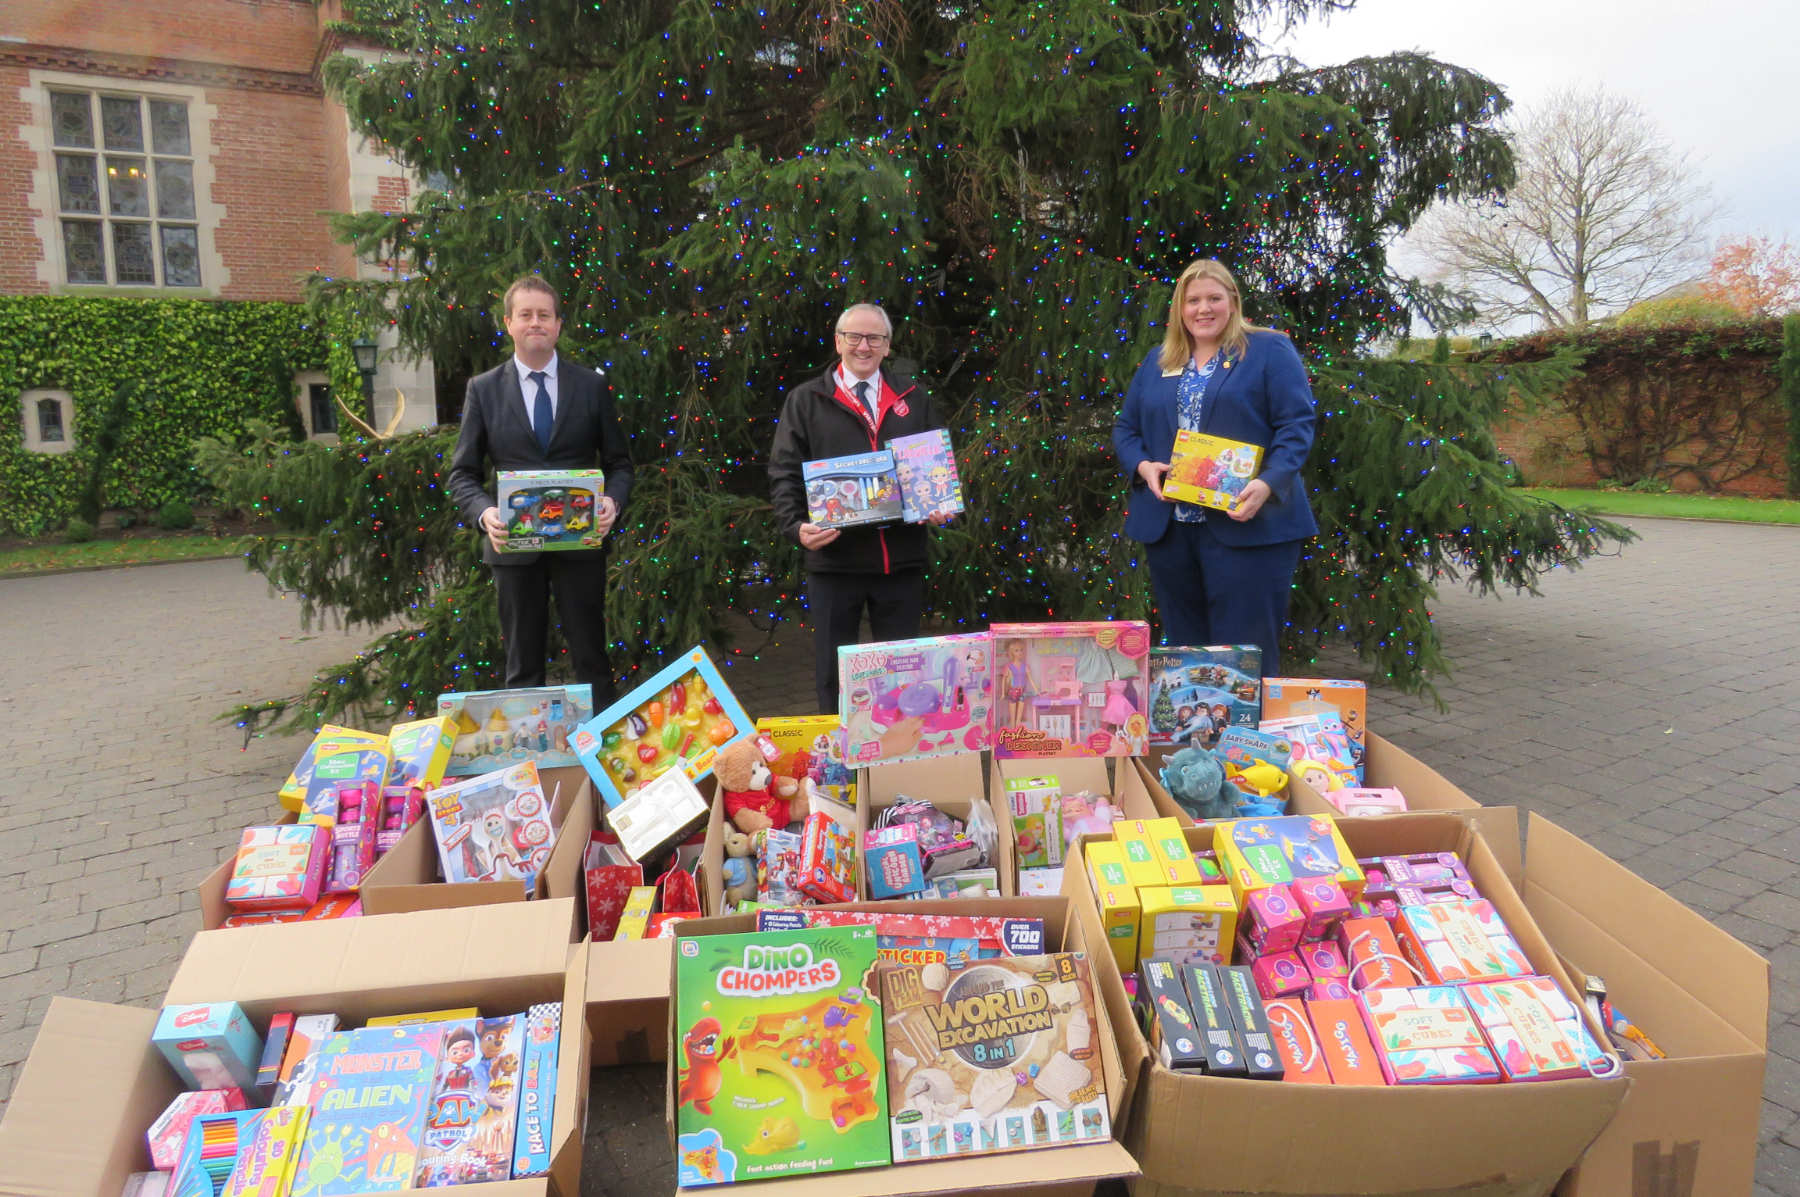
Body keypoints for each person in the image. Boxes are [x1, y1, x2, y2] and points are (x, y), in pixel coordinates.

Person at [1113, 259, 1318, 674]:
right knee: (1185, 648)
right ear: (1179, 308)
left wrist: (1267, 483)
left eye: (1213, 298)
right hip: (1171, 529)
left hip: (1248, 523)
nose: (1203, 309)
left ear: (1233, 302)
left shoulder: (1268, 349)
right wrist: (1143, 466)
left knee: (1245, 650)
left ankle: (1247, 739)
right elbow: (1125, 428)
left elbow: (1296, 425)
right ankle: (1195, 736)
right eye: (1193, 300)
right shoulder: (1159, 359)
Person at [449, 275, 634, 703]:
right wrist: (485, 513)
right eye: (526, 315)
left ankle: (602, 758)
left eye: (544, 315)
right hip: (513, 551)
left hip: (580, 545)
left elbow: (620, 464)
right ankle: (527, 766)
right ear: (508, 323)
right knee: (522, 664)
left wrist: (612, 501)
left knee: (592, 659)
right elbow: (462, 474)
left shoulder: (592, 386)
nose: (536, 323)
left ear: (558, 325)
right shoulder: (483, 390)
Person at [769, 303, 954, 713]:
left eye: (874, 338)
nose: (863, 346)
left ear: (887, 347)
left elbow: (934, 467)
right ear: (838, 342)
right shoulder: (806, 400)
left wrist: (939, 501)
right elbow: (783, 474)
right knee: (834, 679)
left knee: (904, 677)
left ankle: (895, 769)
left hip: (900, 563)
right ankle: (843, 771)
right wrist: (795, 527)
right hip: (836, 564)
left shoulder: (914, 398)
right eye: (854, 336)